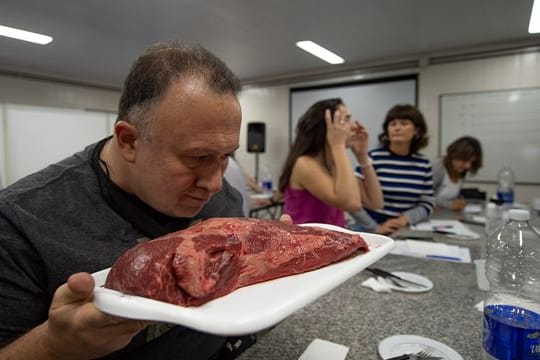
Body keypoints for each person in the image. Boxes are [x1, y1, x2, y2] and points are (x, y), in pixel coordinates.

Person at [0, 42, 278, 359]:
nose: (215, 183)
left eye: (226, 156)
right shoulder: (19, 222)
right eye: (198, 157)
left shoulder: (222, 198)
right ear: (129, 141)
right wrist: (53, 346)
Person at [277, 98, 383, 227]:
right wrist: (338, 145)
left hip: (330, 242)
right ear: (327, 127)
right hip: (305, 243)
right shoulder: (304, 163)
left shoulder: (333, 164)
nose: (354, 126)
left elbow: (376, 202)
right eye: (346, 120)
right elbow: (352, 203)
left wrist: (362, 157)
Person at [351, 104, 435, 234]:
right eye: (393, 124)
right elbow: (353, 200)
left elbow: (427, 203)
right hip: (369, 228)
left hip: (404, 228)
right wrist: (375, 227)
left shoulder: (424, 163)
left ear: (417, 130)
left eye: (404, 123)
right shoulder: (371, 158)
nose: (397, 128)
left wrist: (404, 219)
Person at [432, 136, 483, 211]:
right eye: (465, 160)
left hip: (448, 215)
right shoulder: (437, 167)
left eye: (471, 162)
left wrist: (459, 201)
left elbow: (450, 195)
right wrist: (450, 205)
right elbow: (424, 196)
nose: (468, 166)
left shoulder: (461, 170)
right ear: (455, 154)